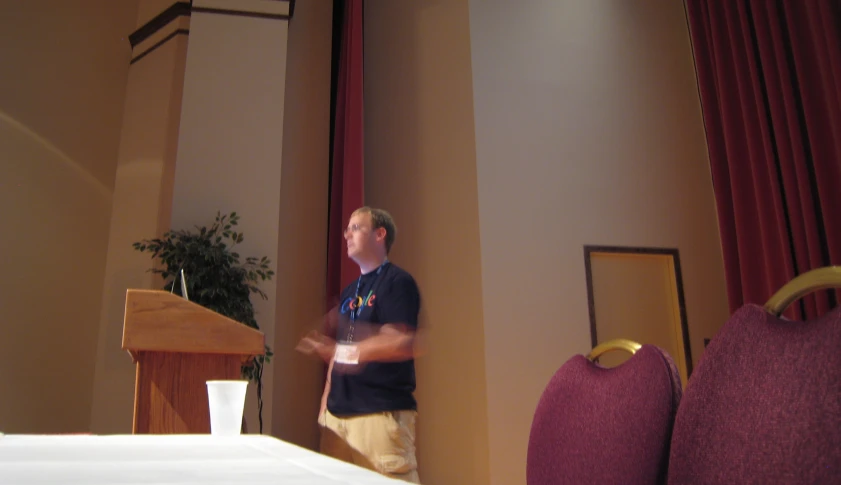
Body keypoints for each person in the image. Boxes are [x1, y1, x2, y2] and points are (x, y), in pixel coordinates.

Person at [296, 206, 422, 483]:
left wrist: (338, 351)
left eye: (356, 227)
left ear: (379, 234)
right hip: (336, 420)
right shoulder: (349, 292)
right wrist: (324, 408)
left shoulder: (398, 283)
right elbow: (338, 353)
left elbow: (398, 341)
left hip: (377, 416)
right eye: (346, 229)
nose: (347, 235)